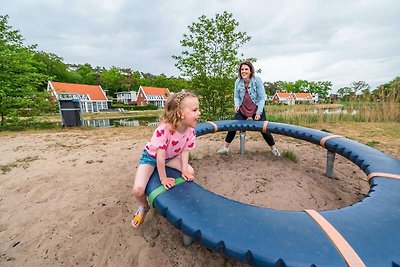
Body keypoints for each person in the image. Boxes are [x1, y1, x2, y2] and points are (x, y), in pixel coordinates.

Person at [132, 91, 201, 228]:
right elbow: (159, 156)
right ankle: (143, 206)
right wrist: (163, 179)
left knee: (190, 171)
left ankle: (176, 201)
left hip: (169, 158)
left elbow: (185, 151)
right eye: (195, 110)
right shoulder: (164, 130)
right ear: (180, 113)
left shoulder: (190, 130)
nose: (199, 113)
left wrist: (184, 171)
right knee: (138, 190)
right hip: (151, 157)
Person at [217, 60, 280, 156]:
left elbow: (262, 97)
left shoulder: (257, 80)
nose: (244, 71)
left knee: (264, 129)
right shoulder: (238, 82)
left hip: (256, 108)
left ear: (251, 71)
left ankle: (274, 149)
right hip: (243, 109)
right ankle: (225, 147)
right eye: (242, 69)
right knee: (233, 126)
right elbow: (236, 96)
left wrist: (259, 112)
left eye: (246, 69)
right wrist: (237, 105)